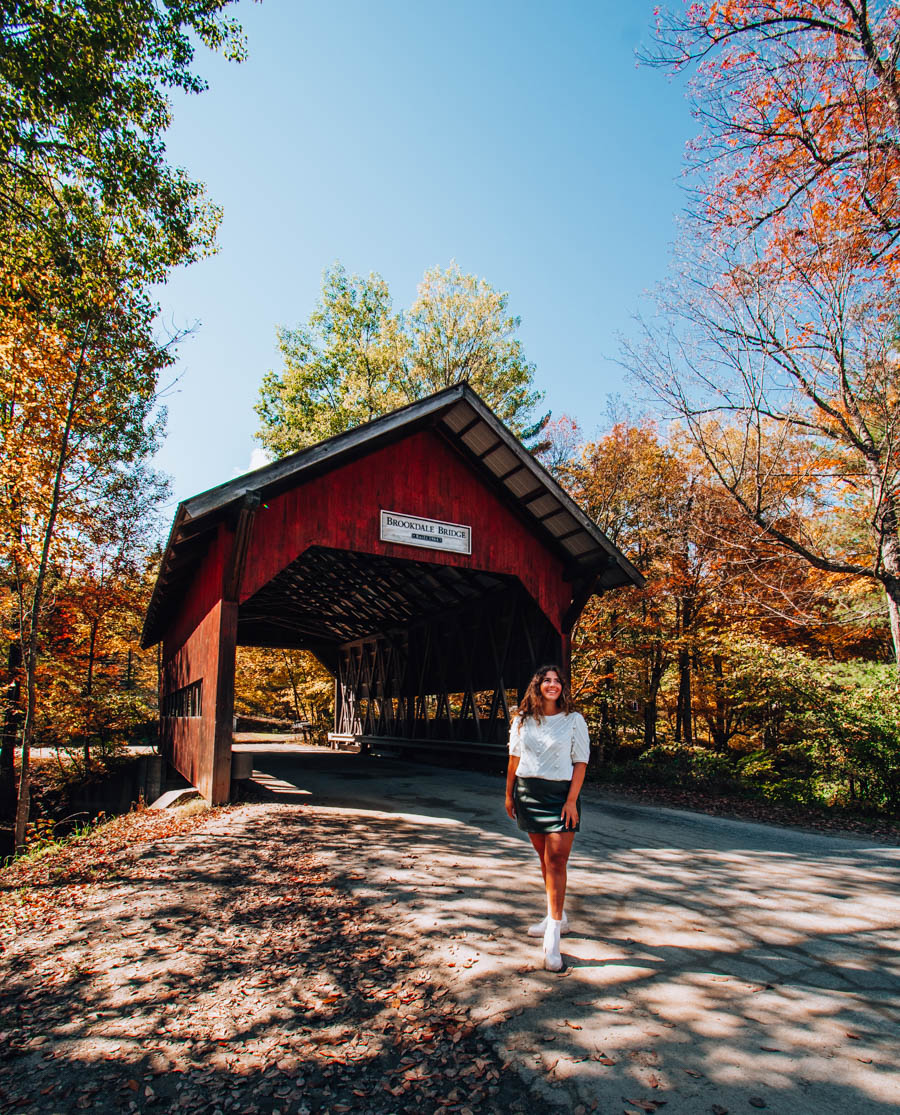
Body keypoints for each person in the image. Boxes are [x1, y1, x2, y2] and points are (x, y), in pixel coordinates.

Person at [504, 664, 589, 971]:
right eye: (546, 680)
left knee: (557, 861)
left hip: (560, 797)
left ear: (562, 688)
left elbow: (580, 762)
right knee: (543, 857)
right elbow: (514, 757)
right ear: (537, 686)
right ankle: (558, 915)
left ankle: (553, 936)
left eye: (557, 681)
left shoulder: (574, 720)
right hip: (528, 793)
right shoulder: (522, 720)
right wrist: (508, 794)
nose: (552, 685)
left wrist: (571, 801)